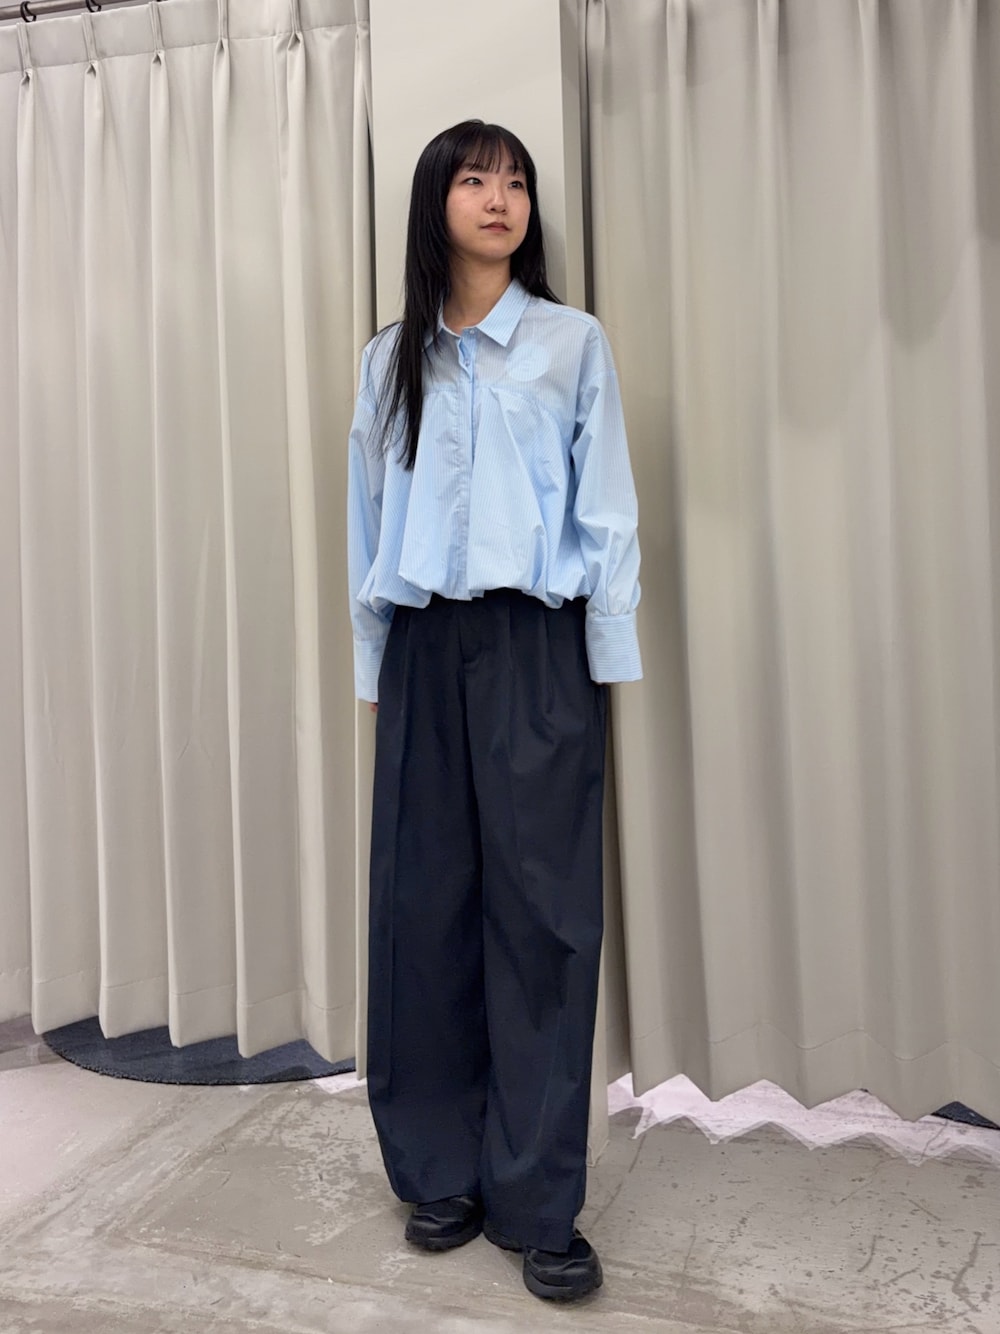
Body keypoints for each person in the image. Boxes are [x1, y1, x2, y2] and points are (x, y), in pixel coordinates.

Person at [346, 119, 641, 1304]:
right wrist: (375, 663)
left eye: (514, 181)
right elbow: (368, 516)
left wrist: (600, 657)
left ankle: (537, 1199)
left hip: (535, 647)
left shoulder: (570, 343)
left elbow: (607, 507)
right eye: (474, 179)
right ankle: (438, 1169)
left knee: (545, 923)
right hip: (423, 644)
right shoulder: (388, 359)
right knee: (420, 912)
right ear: (436, 203)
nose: (500, 198)